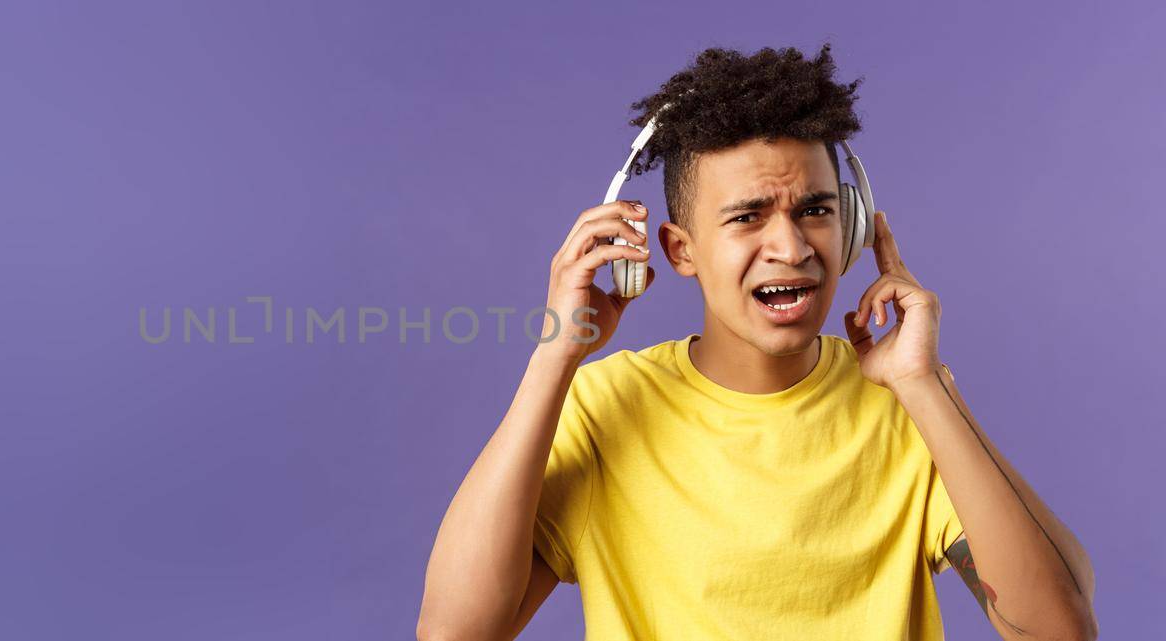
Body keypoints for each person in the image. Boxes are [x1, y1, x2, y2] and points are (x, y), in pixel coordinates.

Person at [416, 45, 1097, 641]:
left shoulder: (907, 408)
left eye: (816, 211)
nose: (792, 246)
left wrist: (925, 386)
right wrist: (555, 355)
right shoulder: (605, 408)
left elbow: (1061, 629)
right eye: (748, 216)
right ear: (679, 250)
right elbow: (454, 631)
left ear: (855, 228)